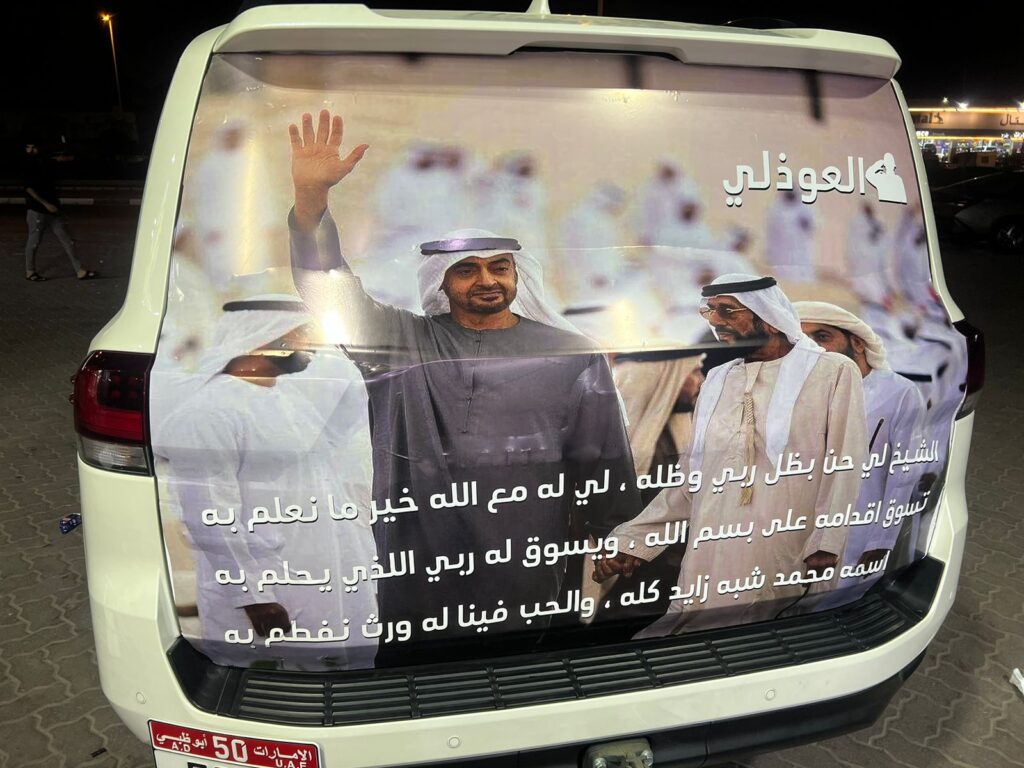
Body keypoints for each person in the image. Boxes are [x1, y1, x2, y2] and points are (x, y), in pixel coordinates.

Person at [286, 110, 640, 653]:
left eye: (500, 267)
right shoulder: (400, 341)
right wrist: (311, 201)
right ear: (441, 282)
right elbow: (326, 287)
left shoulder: (569, 352)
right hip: (422, 549)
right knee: (418, 670)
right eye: (468, 270)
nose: (487, 280)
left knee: (525, 666)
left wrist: (619, 535)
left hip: (529, 546)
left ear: (517, 275)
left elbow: (601, 457)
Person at [593, 274, 866, 635]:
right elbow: (692, 482)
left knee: (759, 650)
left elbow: (844, 465)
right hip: (709, 555)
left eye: (727, 311)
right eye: (709, 311)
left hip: (784, 551)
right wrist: (635, 541)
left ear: (767, 315)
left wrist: (827, 543)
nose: (715, 321)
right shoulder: (719, 379)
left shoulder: (832, 371)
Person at [153, 295, 379, 669]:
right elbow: (209, 515)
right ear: (265, 338)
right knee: (274, 688)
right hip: (271, 590)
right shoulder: (209, 413)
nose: (312, 346)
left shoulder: (288, 397)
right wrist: (253, 596)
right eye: (302, 336)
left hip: (322, 577)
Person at [795, 301, 927, 604]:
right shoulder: (802, 391)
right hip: (803, 529)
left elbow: (905, 472)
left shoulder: (899, 392)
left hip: (861, 530)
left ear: (856, 342)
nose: (812, 347)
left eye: (822, 336)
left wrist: (882, 539)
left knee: (844, 604)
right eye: (804, 339)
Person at [22, 141, 97, 281]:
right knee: (34, 242)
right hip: (37, 211)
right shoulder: (27, 166)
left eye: (34, 146)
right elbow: (28, 189)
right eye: (28, 147)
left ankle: (80, 270)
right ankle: (30, 271)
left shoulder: (44, 163)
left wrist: (66, 159)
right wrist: (46, 204)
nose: (31, 150)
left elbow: (58, 161)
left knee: (68, 240)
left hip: (53, 211)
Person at [765, 190, 817, 283]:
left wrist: (806, 223)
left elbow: (814, 224)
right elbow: (771, 233)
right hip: (782, 252)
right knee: (783, 278)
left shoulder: (804, 207)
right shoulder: (776, 209)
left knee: (803, 276)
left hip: (800, 249)